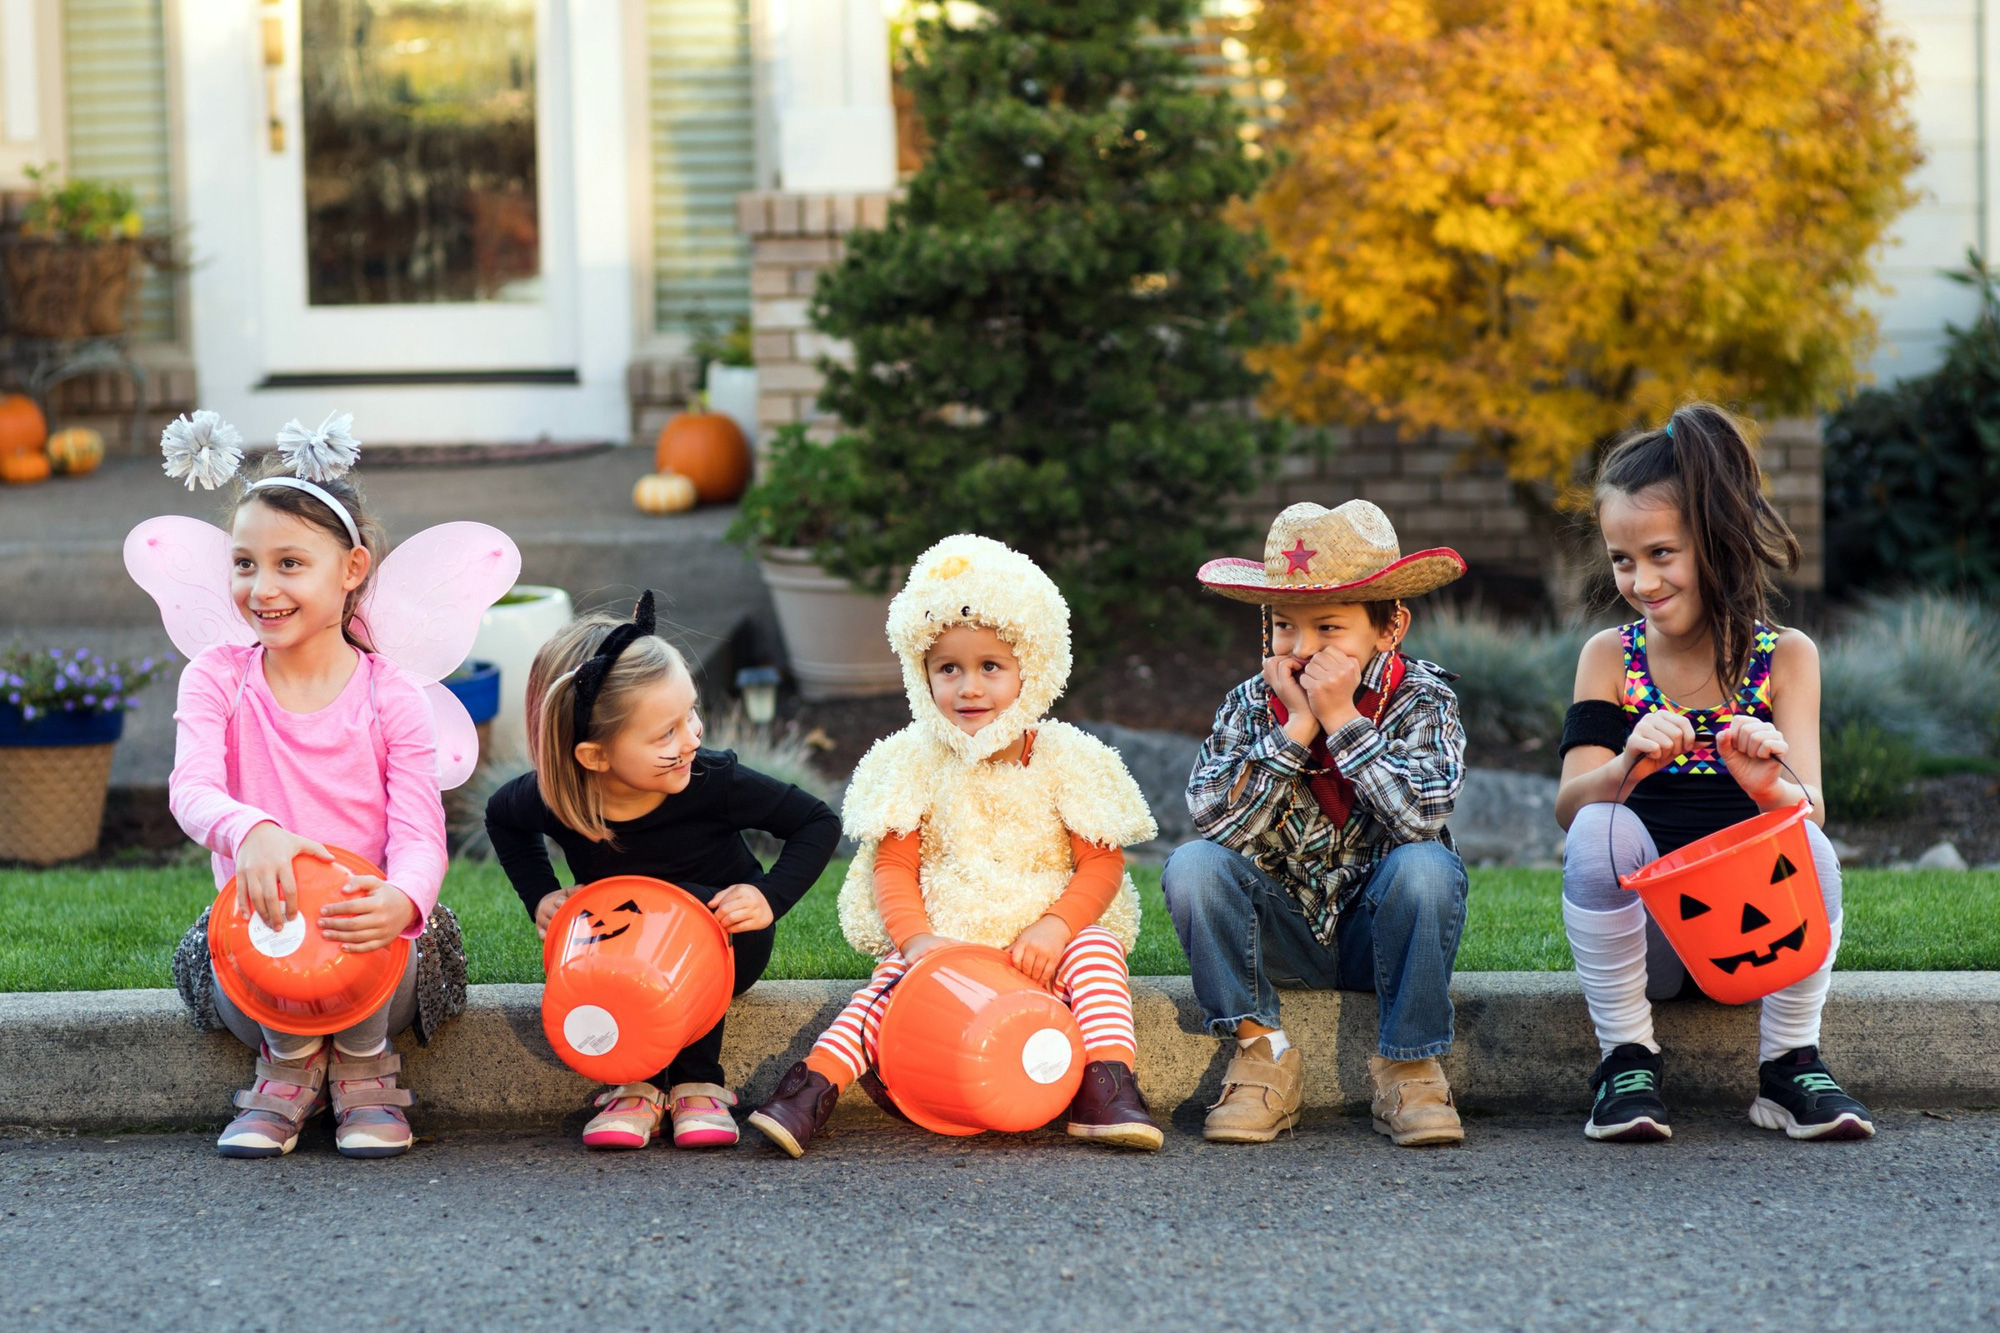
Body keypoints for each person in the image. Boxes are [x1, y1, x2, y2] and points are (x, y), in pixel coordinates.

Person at [746, 534, 1161, 1157]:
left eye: (990, 667)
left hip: (1038, 954)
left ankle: (1106, 1086)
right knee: (882, 990)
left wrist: (1055, 927)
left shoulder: (1066, 760)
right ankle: (812, 1088)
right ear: (922, 674)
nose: (969, 687)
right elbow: (893, 867)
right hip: (947, 950)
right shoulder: (913, 762)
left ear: (1034, 667)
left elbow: (1101, 863)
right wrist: (917, 942)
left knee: (1097, 949)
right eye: (949, 669)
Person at [1555, 402, 1871, 1143]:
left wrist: (1768, 784)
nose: (1640, 579)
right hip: (1654, 940)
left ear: (1717, 543)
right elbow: (1570, 805)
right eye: (1622, 559)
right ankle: (1626, 1060)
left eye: (1662, 553)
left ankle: (1790, 1065)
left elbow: (1811, 807)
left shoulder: (1785, 657)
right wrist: (1626, 764)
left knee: (1811, 846)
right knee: (1601, 824)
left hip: (1752, 934)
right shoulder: (1610, 658)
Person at [156, 411, 467, 1158]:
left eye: (289, 563)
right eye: (244, 564)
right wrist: (250, 829)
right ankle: (288, 1068)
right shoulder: (217, 680)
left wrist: (402, 899)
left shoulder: (390, 696)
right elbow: (191, 788)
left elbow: (421, 835)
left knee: (364, 923)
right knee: (272, 934)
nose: (261, 587)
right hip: (257, 945)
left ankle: (362, 1066)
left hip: (374, 945)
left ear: (351, 570)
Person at [1163, 499, 1471, 1147]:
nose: (1302, 650)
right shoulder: (1250, 704)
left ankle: (1409, 1065)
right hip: (1283, 932)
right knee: (1192, 865)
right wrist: (1298, 726)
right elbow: (1217, 824)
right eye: (1283, 628)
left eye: (1328, 628)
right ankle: (1262, 1051)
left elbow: (1421, 815)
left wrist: (1343, 722)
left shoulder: (1423, 697)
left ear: (1390, 628)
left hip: (1377, 933)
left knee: (1426, 866)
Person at [485, 592, 840, 1150]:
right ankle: (637, 1083)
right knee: (623, 934)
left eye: (691, 713)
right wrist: (541, 897)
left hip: (726, 942)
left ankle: (698, 1082)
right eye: (665, 734)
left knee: (682, 906)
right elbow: (502, 819)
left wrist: (769, 896)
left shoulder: (712, 781)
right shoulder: (555, 799)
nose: (693, 738)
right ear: (593, 756)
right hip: (619, 949)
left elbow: (817, 822)